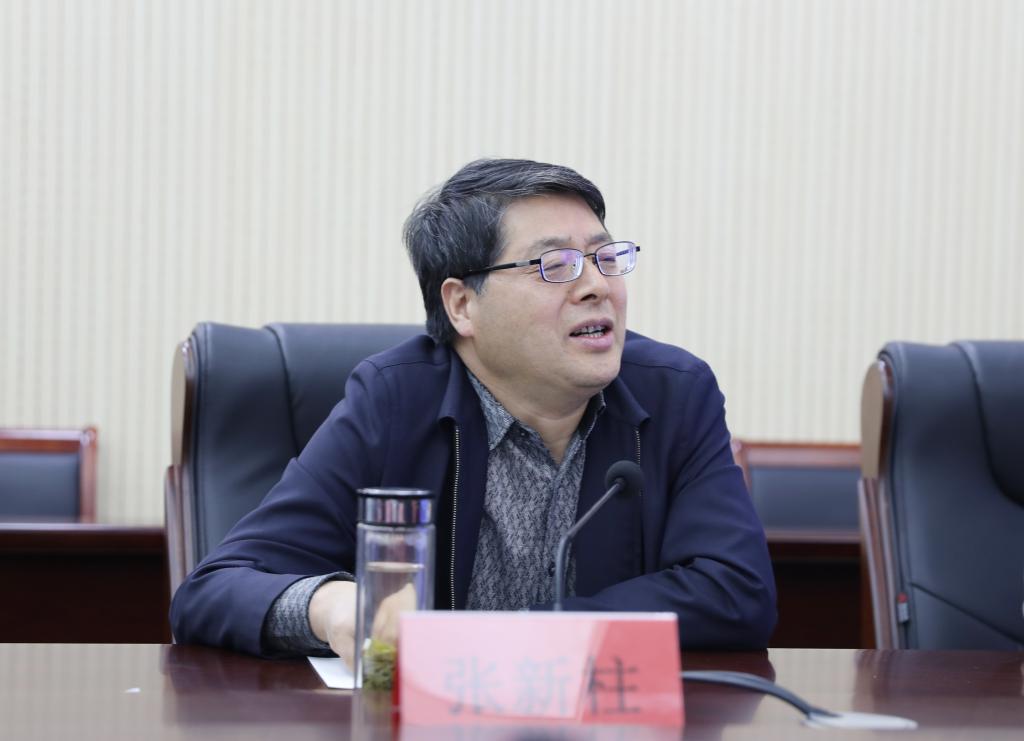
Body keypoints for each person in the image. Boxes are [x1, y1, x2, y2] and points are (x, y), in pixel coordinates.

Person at [170, 158, 777, 660]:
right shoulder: (394, 402)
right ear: (462, 305)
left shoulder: (674, 394)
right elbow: (213, 589)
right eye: (555, 266)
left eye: (604, 257)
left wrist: (525, 637)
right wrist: (329, 606)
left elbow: (737, 593)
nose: (597, 286)